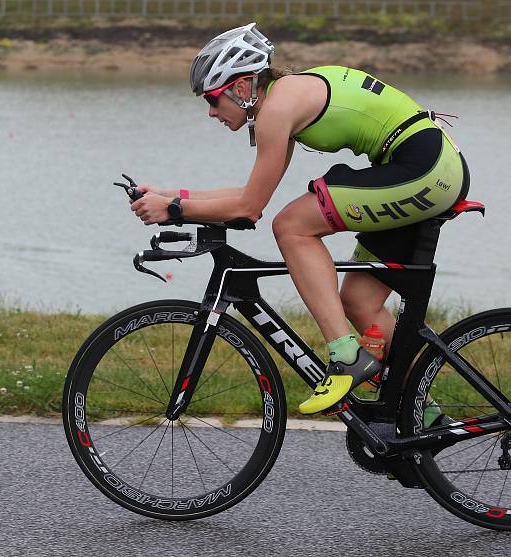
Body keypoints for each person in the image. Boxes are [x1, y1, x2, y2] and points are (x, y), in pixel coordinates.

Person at [130, 23, 469, 417]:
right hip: (420, 166)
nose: (210, 111)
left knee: (291, 226)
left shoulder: (277, 109)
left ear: (241, 87)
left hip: (425, 169)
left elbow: (248, 209)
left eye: (212, 98)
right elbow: (248, 194)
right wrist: (171, 197)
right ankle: (421, 413)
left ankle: (346, 356)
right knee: (358, 303)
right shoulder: (283, 98)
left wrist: (173, 210)